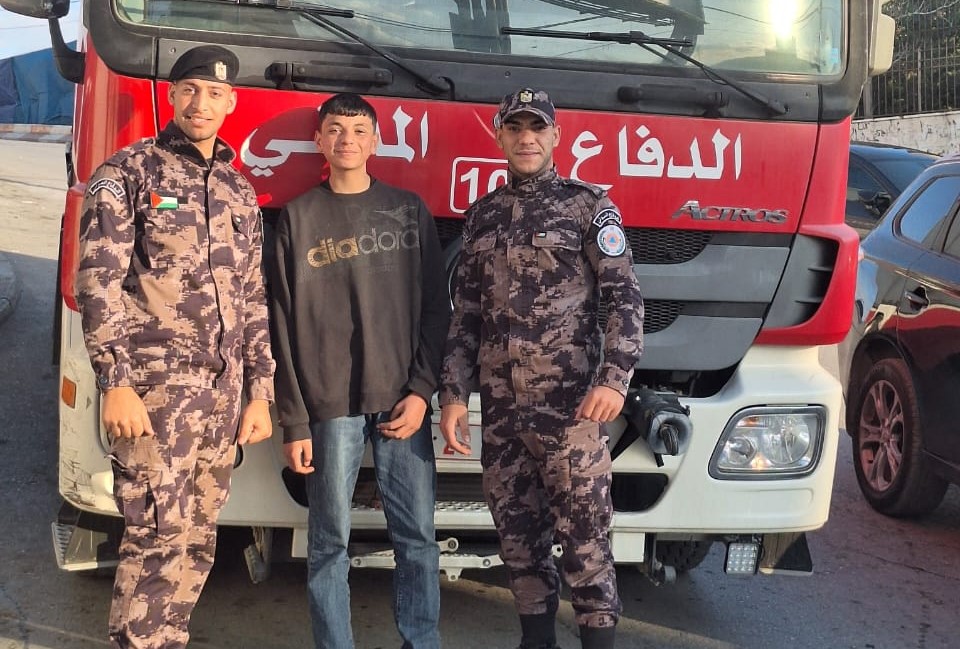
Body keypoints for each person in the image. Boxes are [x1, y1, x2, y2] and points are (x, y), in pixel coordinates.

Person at [75, 45, 275, 649]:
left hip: (222, 397)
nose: (200, 103)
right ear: (171, 96)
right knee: (156, 537)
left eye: (214, 94)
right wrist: (115, 382)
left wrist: (259, 391)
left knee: (198, 539)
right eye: (190, 90)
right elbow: (98, 284)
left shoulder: (238, 191)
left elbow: (253, 296)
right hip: (154, 394)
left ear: (231, 102)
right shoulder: (128, 174)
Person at [438, 88, 644, 649]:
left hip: (570, 412)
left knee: (585, 544)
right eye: (515, 128)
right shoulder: (482, 216)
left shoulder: (587, 207)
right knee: (518, 542)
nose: (526, 138)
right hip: (504, 415)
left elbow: (624, 298)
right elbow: (467, 315)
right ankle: (536, 641)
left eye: (537, 128)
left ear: (556, 136)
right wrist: (453, 394)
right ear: (499, 137)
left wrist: (614, 379)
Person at [268, 92, 449, 649]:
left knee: (417, 538)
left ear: (375, 141)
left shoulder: (409, 210)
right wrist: (294, 421)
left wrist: (422, 391)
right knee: (329, 543)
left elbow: (436, 310)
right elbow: (280, 322)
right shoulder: (298, 217)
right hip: (329, 407)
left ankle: (421, 641)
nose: (346, 139)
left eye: (358, 130)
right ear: (318, 142)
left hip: (402, 402)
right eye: (334, 130)